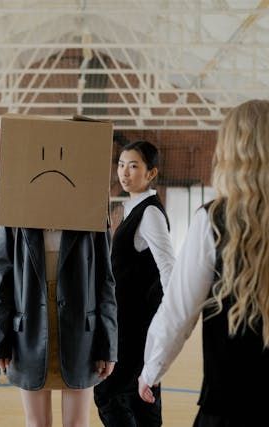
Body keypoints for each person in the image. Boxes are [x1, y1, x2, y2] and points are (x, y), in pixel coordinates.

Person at [138, 100, 269, 427]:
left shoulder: (211, 221)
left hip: (228, 410)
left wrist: (151, 369)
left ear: (230, 150)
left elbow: (178, 313)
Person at [0, 225, 118, 427]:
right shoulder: (15, 211)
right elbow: (1, 281)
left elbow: (105, 282)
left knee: (76, 423)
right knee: (37, 423)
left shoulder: (90, 209)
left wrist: (109, 346)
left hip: (81, 333)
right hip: (28, 332)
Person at [94, 140, 175, 426]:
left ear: (151, 173)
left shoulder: (150, 213)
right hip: (129, 321)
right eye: (121, 165)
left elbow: (169, 268)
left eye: (133, 166)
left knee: (109, 394)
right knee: (140, 396)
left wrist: (167, 318)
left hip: (137, 324)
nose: (124, 173)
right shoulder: (135, 207)